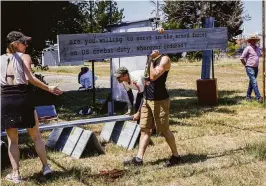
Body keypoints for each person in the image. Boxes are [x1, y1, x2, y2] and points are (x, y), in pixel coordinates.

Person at [1, 31, 63, 183]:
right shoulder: (25, 57)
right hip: (22, 97)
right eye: (24, 42)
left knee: (12, 141)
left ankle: (16, 175)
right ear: (15, 44)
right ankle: (46, 167)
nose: (26, 45)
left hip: (6, 99)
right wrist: (48, 88)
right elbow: (30, 77)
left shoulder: (0, 60)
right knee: (36, 136)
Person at [123, 50, 181, 167]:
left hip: (159, 100)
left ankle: (176, 156)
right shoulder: (150, 59)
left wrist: (150, 59)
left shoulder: (164, 59)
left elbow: (153, 76)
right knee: (144, 129)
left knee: (164, 130)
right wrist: (140, 109)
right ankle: (139, 159)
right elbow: (147, 82)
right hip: (147, 99)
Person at [240, 34, 262, 103]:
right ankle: (259, 97)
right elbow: (242, 58)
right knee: (254, 81)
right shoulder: (248, 48)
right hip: (249, 67)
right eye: (253, 40)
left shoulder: (258, 48)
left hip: (256, 67)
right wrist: (246, 65)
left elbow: (260, 55)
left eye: (255, 40)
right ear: (250, 41)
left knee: (252, 82)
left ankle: (248, 96)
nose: (254, 41)